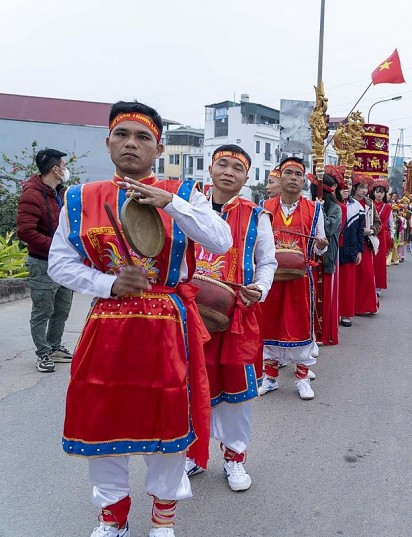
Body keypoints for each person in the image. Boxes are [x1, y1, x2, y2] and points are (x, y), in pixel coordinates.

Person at [47, 101, 233, 537]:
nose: (131, 143)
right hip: (107, 325)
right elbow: (59, 263)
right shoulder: (80, 198)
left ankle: (163, 520)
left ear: (158, 147)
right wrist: (106, 283)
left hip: (167, 326)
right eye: (122, 134)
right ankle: (112, 517)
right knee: (101, 416)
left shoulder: (184, 193)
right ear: (108, 142)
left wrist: (171, 204)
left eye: (143, 136)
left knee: (167, 417)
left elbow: (221, 240)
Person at [184, 144, 276, 493]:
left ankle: (235, 458)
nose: (228, 172)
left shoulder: (256, 216)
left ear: (246, 177)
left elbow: (267, 261)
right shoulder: (187, 207)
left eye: (237, 168)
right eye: (222, 164)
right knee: (190, 387)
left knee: (236, 392)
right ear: (210, 169)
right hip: (190, 314)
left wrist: (261, 287)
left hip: (237, 313)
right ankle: (192, 455)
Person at [258, 157, 328, 400]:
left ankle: (301, 378)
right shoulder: (264, 206)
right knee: (270, 324)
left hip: (300, 278)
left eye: (298, 175)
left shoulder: (315, 209)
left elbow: (321, 247)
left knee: (299, 326)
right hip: (271, 277)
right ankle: (270, 377)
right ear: (280, 176)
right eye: (288, 173)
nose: (293, 178)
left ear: (304, 180)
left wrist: (321, 246)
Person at [16, 148, 74, 373]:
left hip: (64, 263)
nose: (66, 169)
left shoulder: (60, 192)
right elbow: (26, 232)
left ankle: (54, 346)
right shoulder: (32, 194)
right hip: (42, 262)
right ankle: (43, 353)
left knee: (62, 309)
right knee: (43, 310)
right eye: (63, 165)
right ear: (56, 169)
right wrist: (57, 248)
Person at [313, 165, 345, 346]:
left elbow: (330, 228)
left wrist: (318, 212)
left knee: (324, 296)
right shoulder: (308, 205)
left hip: (327, 256)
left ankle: (324, 333)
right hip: (309, 257)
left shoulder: (336, 208)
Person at [338, 175, 365, 327]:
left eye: (349, 184)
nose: (346, 187)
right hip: (335, 249)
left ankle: (346, 314)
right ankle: (334, 313)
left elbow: (360, 231)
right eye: (343, 184)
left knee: (347, 283)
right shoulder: (331, 203)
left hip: (350, 249)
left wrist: (359, 251)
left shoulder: (357, 207)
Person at [352, 174, 380, 315]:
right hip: (351, 243)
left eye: (366, 188)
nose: (364, 191)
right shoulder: (348, 202)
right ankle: (352, 307)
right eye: (361, 187)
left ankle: (367, 306)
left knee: (367, 275)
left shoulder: (369, 203)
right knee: (353, 277)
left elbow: (378, 223)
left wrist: (371, 231)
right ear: (355, 187)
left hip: (365, 243)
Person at [370, 179, 392, 294]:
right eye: (377, 192)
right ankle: (369, 284)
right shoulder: (369, 203)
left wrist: (375, 230)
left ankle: (378, 287)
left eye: (382, 192)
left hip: (380, 236)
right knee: (370, 260)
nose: (379, 194)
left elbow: (384, 222)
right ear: (373, 192)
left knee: (379, 261)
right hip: (369, 235)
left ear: (384, 194)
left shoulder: (387, 206)